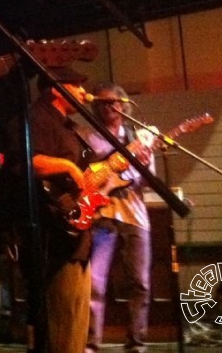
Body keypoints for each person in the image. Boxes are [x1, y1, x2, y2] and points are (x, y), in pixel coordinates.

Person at [24, 65, 94, 353]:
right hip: (54, 237)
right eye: (76, 85)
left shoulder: (70, 126)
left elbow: (86, 177)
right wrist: (66, 166)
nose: (83, 92)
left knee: (76, 326)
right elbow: (26, 162)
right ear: (56, 87)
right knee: (61, 325)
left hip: (78, 237)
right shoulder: (37, 117)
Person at [81, 82, 154, 353]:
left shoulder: (139, 138)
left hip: (135, 216)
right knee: (96, 284)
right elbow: (85, 176)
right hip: (101, 215)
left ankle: (136, 343)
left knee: (140, 283)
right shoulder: (88, 137)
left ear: (123, 105)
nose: (107, 107)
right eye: (101, 103)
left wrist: (143, 167)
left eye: (112, 102)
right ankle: (91, 345)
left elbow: (146, 182)